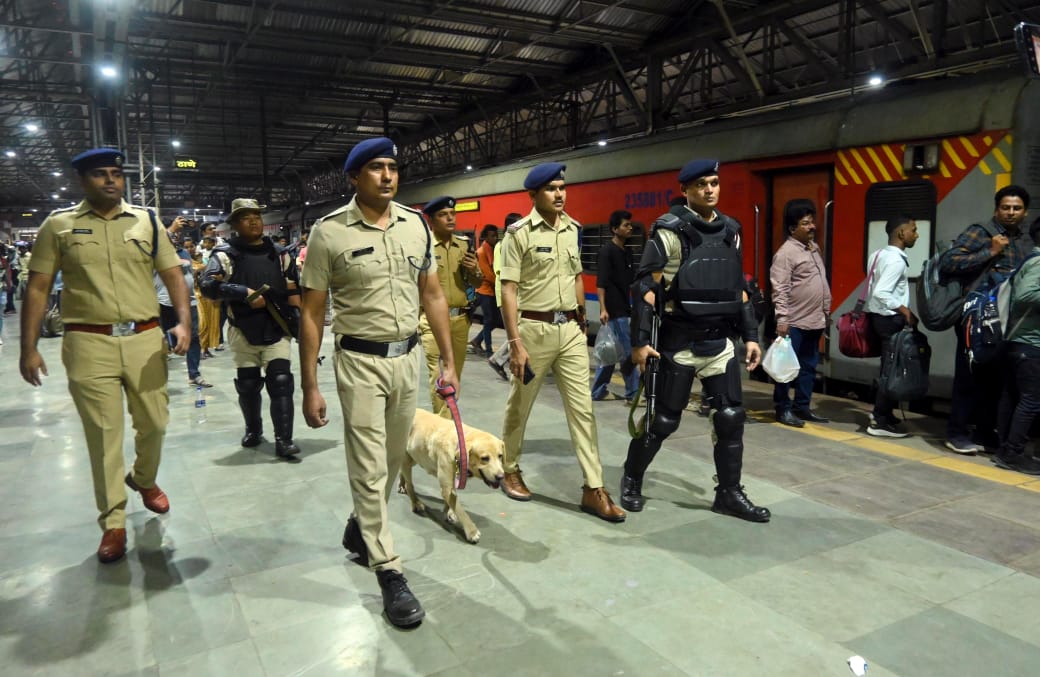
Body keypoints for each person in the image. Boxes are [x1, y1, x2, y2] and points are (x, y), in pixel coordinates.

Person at [298, 137, 459, 628]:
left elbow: (432, 295)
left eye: (393, 167)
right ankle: (388, 568)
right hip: (360, 362)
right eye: (375, 168)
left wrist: (448, 360)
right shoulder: (329, 233)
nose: (387, 176)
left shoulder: (416, 227)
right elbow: (312, 310)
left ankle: (360, 526)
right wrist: (311, 384)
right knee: (368, 464)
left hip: (409, 358)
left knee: (393, 457)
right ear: (354, 178)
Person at [18, 148, 191, 563]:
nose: (111, 181)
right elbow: (38, 287)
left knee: (155, 423)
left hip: (144, 338)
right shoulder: (59, 226)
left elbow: (172, 275)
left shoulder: (146, 222)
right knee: (103, 436)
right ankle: (112, 522)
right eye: (100, 174)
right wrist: (29, 347)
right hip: (87, 342)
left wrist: (183, 321)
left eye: (116, 174)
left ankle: (143, 478)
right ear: (83, 180)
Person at [621, 159, 769, 522]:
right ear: (685, 190)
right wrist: (640, 344)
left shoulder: (731, 230)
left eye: (715, 183)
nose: (710, 190)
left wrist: (751, 336)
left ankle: (729, 494)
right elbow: (645, 289)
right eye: (702, 184)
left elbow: (740, 289)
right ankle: (632, 477)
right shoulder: (668, 232)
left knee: (731, 418)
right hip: (679, 344)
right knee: (663, 422)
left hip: (719, 344)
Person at [498, 162, 626, 522]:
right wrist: (514, 342)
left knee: (583, 410)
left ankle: (593, 487)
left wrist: (582, 322)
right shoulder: (518, 234)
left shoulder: (573, 229)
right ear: (534, 195)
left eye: (562, 187)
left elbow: (575, 276)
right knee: (520, 404)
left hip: (570, 330)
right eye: (552, 189)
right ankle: (509, 467)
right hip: (533, 331)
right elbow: (509, 288)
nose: (559, 194)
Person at [200, 198, 302, 460]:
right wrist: (240, 292)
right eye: (246, 216)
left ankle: (284, 440)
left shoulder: (279, 254)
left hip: (276, 327)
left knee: (281, 382)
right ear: (234, 224)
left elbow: (294, 289)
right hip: (242, 329)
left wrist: (299, 321)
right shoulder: (224, 254)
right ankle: (253, 430)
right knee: (247, 384)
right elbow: (207, 286)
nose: (254, 220)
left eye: (256, 215)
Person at [939, 185, 1032, 453]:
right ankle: (956, 433)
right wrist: (989, 252)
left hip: (1006, 319)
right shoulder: (981, 231)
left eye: (1016, 208)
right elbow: (949, 262)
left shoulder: (1024, 241)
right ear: (996, 209)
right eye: (1006, 207)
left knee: (995, 379)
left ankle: (983, 432)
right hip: (976, 317)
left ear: (1024, 212)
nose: (1011, 213)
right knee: (969, 375)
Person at [769, 199, 832, 426]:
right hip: (794, 323)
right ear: (792, 228)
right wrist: (783, 319)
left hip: (814, 321)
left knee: (808, 367)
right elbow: (780, 288)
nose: (812, 227)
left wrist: (825, 312)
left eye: (812, 222)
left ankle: (802, 407)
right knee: (785, 369)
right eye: (805, 223)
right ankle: (783, 408)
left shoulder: (814, 249)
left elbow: (820, 282)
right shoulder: (785, 254)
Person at [419, 195, 482, 417]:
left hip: (460, 321)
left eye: (452, 214)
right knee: (439, 376)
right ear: (431, 220)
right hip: (431, 322)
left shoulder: (463, 245)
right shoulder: (422, 247)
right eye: (443, 215)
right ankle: (446, 430)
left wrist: (474, 269)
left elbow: (476, 283)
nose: (450, 218)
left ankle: (446, 423)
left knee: (454, 374)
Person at [863, 215, 920, 438]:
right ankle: (878, 421)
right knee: (891, 370)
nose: (916, 234)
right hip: (890, 320)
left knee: (888, 367)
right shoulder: (896, 261)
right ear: (901, 233)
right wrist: (906, 312)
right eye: (913, 230)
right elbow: (881, 292)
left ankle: (885, 413)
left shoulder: (877, 254)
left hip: (878, 318)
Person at [993, 217, 1040, 475]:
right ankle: (1013, 452)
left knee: (1012, 396)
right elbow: (1025, 296)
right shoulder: (1039, 262)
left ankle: (1005, 449)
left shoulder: (1029, 259)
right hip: (1030, 342)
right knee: (1031, 400)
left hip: (1015, 341)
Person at [591, 209, 640, 402]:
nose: (630, 228)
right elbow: (601, 284)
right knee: (627, 353)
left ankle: (598, 391)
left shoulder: (627, 251)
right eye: (626, 225)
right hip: (613, 310)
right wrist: (603, 309)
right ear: (614, 229)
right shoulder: (606, 252)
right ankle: (633, 393)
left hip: (624, 308)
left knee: (611, 351)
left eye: (630, 225)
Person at [487, 213, 523, 381]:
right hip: (507, 295)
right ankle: (498, 359)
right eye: (519, 224)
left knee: (521, 330)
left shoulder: (512, 244)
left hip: (514, 295)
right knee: (519, 331)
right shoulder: (502, 245)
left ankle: (499, 359)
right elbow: (501, 272)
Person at [473, 224, 500, 356]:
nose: (496, 238)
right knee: (489, 320)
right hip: (484, 291)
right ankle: (488, 350)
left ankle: (477, 341)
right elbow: (487, 274)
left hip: (491, 290)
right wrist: (500, 284)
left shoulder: (492, 249)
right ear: (485, 237)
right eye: (493, 236)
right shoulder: (482, 252)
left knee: (494, 320)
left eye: (496, 235)